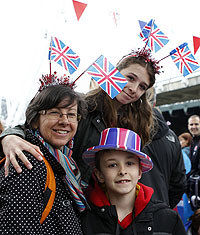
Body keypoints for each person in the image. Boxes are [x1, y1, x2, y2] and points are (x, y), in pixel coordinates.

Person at [0, 48, 158, 183]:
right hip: (72, 194)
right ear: (114, 72)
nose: (133, 88)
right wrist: (9, 137)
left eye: (142, 87)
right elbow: (34, 127)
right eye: (130, 78)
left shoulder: (138, 123)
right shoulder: (84, 105)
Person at [0, 73, 88, 234]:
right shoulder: (26, 162)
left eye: (71, 114)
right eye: (55, 112)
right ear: (35, 120)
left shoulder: (64, 163)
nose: (65, 121)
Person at [81, 127, 187, 234]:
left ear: (140, 172)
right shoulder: (85, 221)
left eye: (129, 163)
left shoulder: (167, 219)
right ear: (99, 174)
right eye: (112, 165)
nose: (122, 171)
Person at [139, 87, 186, 209]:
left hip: (128, 215)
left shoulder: (122, 131)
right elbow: (179, 182)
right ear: (154, 103)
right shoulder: (172, 137)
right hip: (161, 211)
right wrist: (165, 205)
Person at [187, 115, 200, 211]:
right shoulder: (193, 141)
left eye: (196, 124)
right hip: (194, 185)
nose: (194, 127)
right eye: (191, 124)